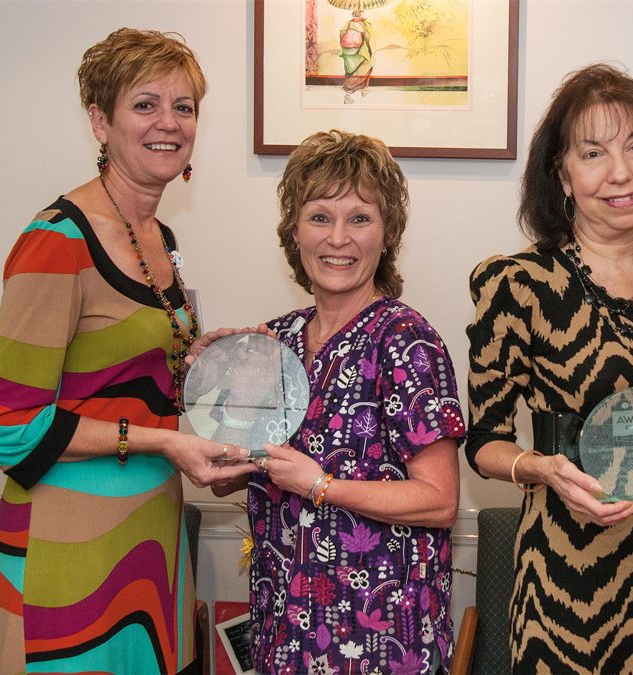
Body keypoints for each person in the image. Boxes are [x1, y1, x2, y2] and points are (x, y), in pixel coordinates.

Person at [0, 28, 255, 673]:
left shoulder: (160, 234)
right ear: (98, 120)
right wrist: (166, 442)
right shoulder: (56, 241)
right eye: (145, 104)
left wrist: (201, 359)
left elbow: (123, 374)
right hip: (67, 547)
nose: (169, 123)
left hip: (150, 538)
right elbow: (7, 425)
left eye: (184, 107)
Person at [465, 63, 633, 673]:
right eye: (593, 153)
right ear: (561, 174)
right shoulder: (516, 284)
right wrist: (541, 469)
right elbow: (485, 442)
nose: (621, 173)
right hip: (564, 578)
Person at [211, 130, 465, 674]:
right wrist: (210, 382)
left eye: (360, 218)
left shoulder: (406, 339)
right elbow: (227, 473)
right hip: (285, 625)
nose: (339, 239)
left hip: (380, 637)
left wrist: (320, 485)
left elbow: (439, 501)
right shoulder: (276, 341)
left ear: (387, 233)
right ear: (294, 232)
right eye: (321, 217)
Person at [339, 9, 374, 104]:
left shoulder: (348, 23)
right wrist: (371, 50)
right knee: (366, 66)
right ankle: (360, 90)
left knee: (350, 71)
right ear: (361, 13)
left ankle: (350, 93)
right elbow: (368, 39)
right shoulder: (365, 24)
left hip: (347, 51)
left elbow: (341, 35)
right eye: (363, 11)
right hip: (360, 51)